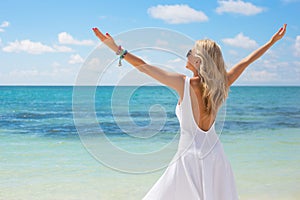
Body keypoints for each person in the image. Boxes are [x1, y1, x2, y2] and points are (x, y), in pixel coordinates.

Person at [92, 24, 287, 200]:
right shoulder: (221, 83)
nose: (187, 55)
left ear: (199, 60)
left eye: (190, 52)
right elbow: (247, 61)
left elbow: (144, 67)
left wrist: (116, 49)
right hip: (216, 156)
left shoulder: (183, 83)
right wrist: (271, 42)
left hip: (189, 159)